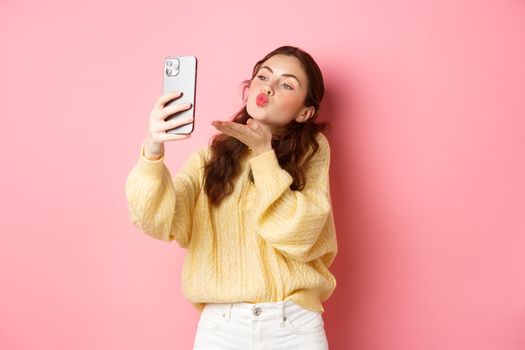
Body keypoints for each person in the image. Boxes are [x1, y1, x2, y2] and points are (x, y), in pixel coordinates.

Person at [125, 45, 337, 350]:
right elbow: (157, 220)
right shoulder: (209, 159)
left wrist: (264, 155)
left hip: (293, 325)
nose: (269, 87)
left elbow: (298, 234)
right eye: (263, 76)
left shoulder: (313, 151)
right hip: (222, 329)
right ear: (249, 89)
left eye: (286, 84)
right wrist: (153, 148)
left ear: (305, 112)